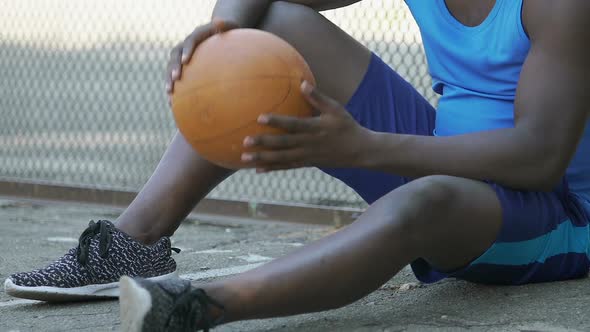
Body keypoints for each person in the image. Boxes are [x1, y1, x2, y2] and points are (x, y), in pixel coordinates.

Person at [6, 0, 590, 330]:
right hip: (446, 159)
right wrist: (224, 31)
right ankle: (133, 242)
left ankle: (198, 307)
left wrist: (365, 147)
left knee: (423, 199)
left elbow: (538, 157)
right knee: (273, 25)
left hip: (552, 211)